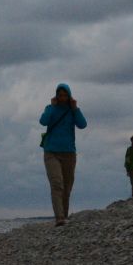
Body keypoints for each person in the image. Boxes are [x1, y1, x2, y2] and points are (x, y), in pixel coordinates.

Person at [38, 82, 86, 226]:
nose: (63, 97)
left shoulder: (72, 110)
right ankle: (59, 217)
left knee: (67, 185)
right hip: (51, 152)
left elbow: (83, 124)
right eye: (60, 95)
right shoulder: (50, 108)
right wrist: (52, 107)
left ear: (69, 96)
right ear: (56, 96)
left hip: (69, 153)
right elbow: (43, 121)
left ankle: (64, 215)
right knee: (57, 183)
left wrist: (75, 108)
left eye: (65, 95)